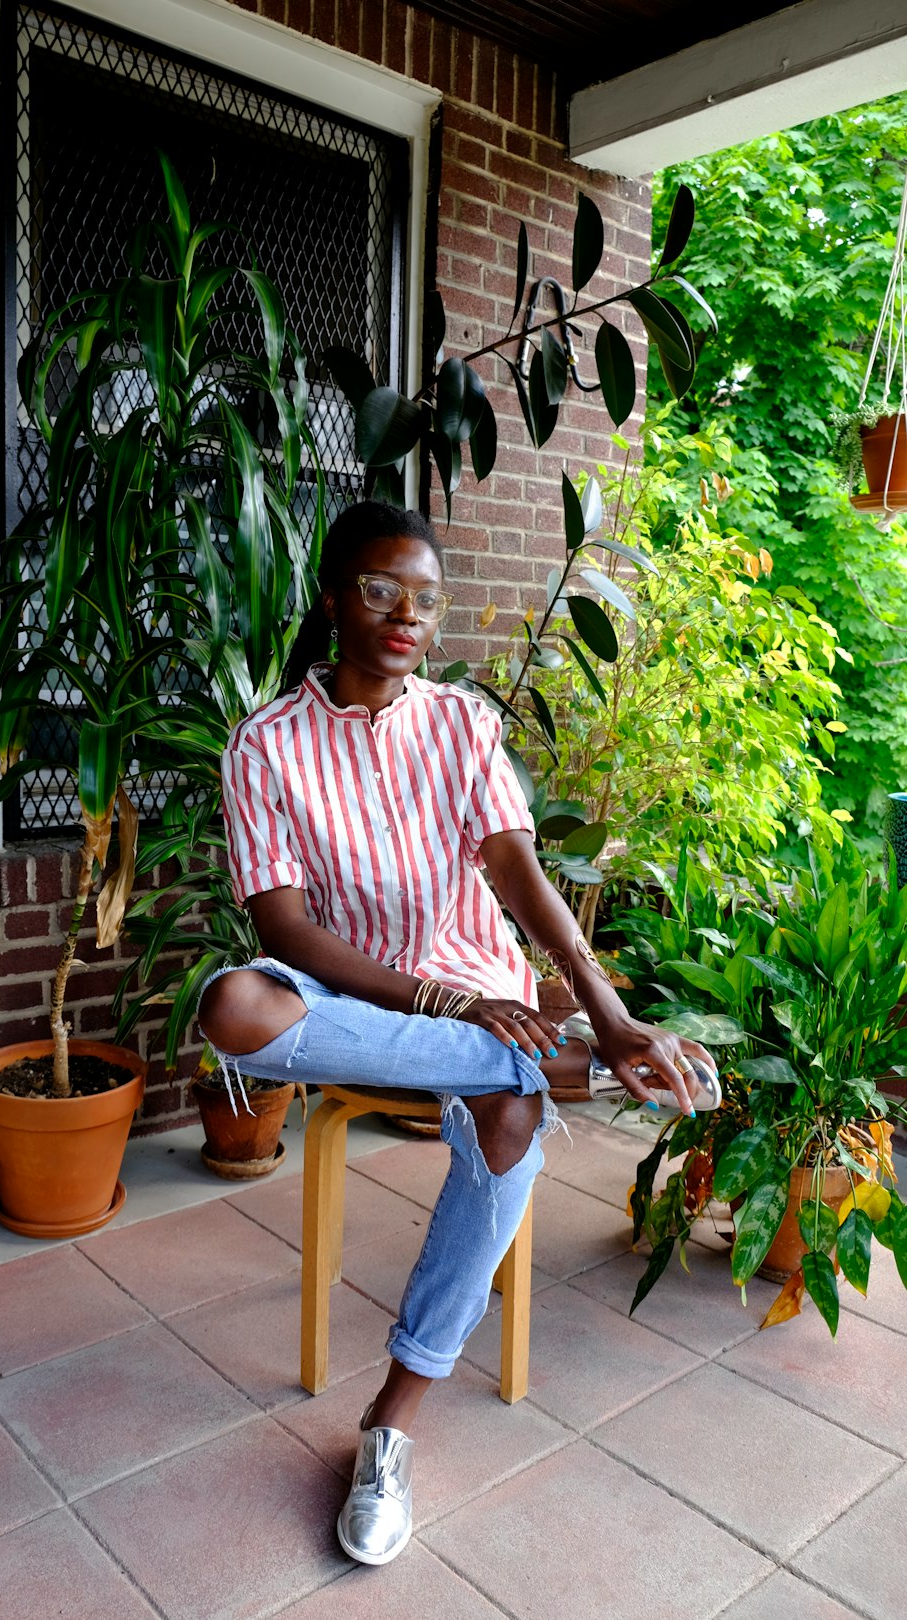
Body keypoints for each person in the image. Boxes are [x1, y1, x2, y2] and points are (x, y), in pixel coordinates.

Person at [198, 500, 719, 1567]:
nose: (406, 616)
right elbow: (283, 927)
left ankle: (391, 1424)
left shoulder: (460, 724)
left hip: (481, 985)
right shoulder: (266, 746)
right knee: (234, 1010)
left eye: (426, 601)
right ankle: (536, 1058)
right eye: (383, 591)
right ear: (336, 597)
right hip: (361, 997)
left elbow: (518, 869)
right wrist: (446, 1009)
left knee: (510, 1120)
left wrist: (608, 1009)